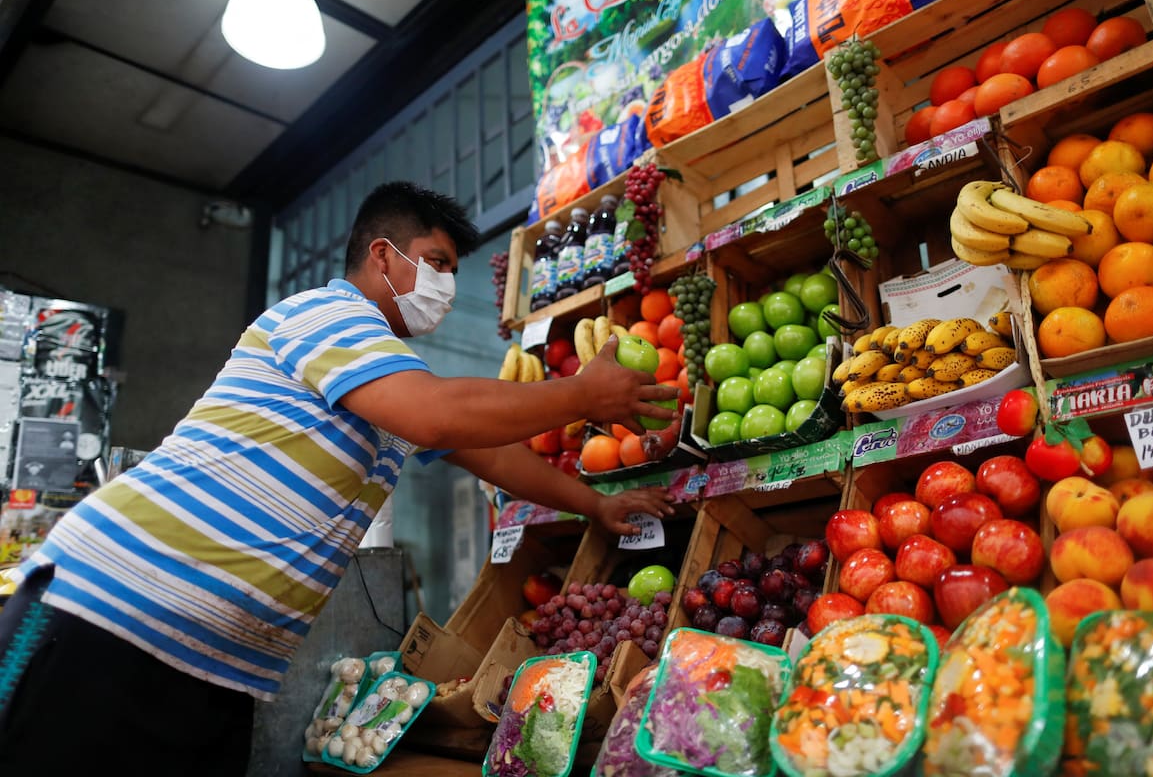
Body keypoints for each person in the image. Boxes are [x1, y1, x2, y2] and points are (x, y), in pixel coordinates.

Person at [0, 181, 679, 775]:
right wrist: (579, 396)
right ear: (383, 255)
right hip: (105, 614)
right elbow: (439, 416)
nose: (446, 287)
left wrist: (594, 502)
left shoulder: (381, 376)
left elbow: (496, 456)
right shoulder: (324, 315)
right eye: (437, 263)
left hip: (211, 663)